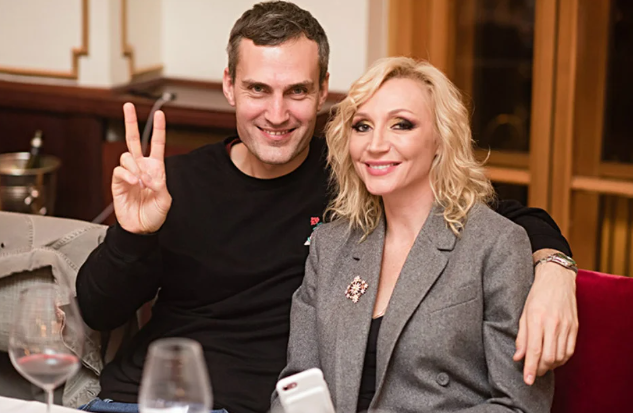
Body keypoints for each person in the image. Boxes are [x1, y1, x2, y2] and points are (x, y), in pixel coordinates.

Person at [76, 2, 576, 413]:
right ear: (229, 86)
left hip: (241, 402)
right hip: (139, 396)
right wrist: (134, 233)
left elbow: (491, 216)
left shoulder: (355, 178)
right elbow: (97, 311)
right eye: (257, 89)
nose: (276, 114)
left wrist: (555, 268)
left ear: (322, 92)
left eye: (296, 91)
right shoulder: (173, 183)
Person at [273, 56, 553, 413]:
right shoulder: (329, 245)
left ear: (441, 139)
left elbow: (520, 406)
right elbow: (294, 388)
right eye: (362, 126)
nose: (375, 144)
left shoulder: (496, 244)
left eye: (401, 125)